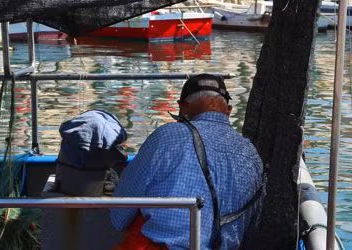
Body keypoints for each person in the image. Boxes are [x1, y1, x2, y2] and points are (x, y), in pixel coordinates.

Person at [111, 74, 263, 250]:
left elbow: (118, 216)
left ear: (182, 107)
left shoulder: (167, 136)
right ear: (228, 110)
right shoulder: (251, 153)